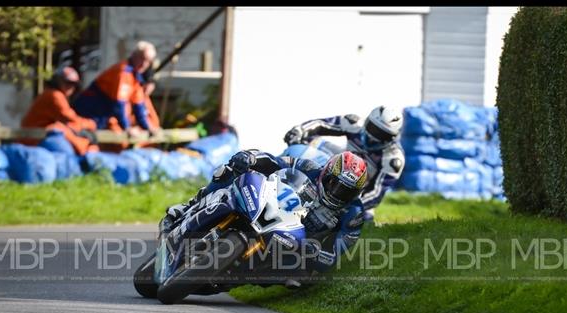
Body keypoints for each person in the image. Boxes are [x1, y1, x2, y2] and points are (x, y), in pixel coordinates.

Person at [163, 149, 368, 276]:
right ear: (326, 173)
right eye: (334, 184)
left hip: (294, 244)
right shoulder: (309, 167)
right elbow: (274, 161)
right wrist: (252, 158)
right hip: (270, 207)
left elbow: (335, 255)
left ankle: (235, 276)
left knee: (297, 277)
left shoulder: (354, 214)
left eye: (346, 191)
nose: (337, 193)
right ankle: (189, 206)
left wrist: (315, 253)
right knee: (227, 172)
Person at [282, 105, 405, 219]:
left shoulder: (394, 159)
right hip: (336, 174)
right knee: (312, 141)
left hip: (354, 195)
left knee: (359, 218)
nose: (374, 137)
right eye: (374, 129)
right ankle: (284, 171)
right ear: (367, 121)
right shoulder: (354, 123)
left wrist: (347, 204)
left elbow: (376, 194)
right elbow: (321, 124)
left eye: (382, 135)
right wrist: (299, 130)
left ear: (393, 137)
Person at [73, 41, 160, 138]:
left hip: (100, 117)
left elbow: (138, 106)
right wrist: (127, 128)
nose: (144, 64)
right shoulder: (123, 72)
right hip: (88, 113)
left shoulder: (136, 77)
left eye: (148, 61)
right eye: (142, 58)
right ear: (134, 56)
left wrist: (148, 127)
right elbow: (119, 105)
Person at [20, 66, 99, 155]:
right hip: (35, 140)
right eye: (67, 83)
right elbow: (69, 117)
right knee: (71, 151)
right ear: (57, 81)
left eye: (73, 84)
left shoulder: (51, 94)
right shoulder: (54, 95)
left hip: (37, 138)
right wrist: (89, 124)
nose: (70, 87)